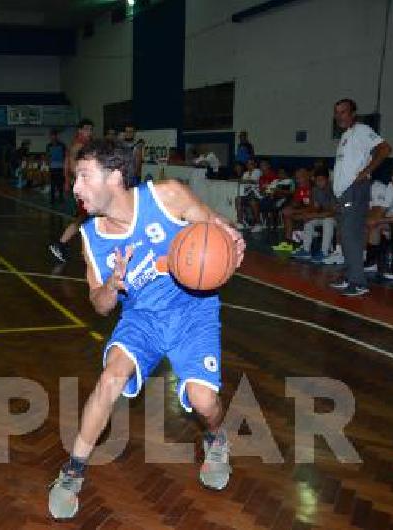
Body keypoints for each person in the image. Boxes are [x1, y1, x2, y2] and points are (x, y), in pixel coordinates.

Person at [47, 139, 245, 519]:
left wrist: (232, 240)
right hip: (142, 319)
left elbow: (217, 229)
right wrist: (111, 286)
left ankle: (217, 437)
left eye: (84, 177)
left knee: (205, 402)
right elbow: (100, 305)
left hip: (193, 312)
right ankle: (73, 470)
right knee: (109, 380)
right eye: (74, 179)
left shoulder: (168, 196)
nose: (74, 188)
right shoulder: (92, 239)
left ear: (116, 177)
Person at [330, 98, 392, 296]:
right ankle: (350, 275)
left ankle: (359, 282)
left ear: (353, 113)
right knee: (345, 236)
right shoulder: (346, 136)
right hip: (343, 193)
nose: (339, 116)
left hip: (355, 190)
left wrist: (366, 172)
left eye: (344, 112)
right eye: (337, 112)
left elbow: (385, 149)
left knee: (351, 235)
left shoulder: (362, 130)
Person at [48, 118, 94, 263]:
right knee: (87, 217)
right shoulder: (78, 146)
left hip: (83, 186)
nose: (89, 132)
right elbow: (72, 167)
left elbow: (66, 164)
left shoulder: (80, 145)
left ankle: (61, 244)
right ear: (80, 130)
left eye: (91, 129)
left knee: (84, 218)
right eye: (86, 129)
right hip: (83, 187)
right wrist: (74, 182)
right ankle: (61, 244)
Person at [290, 168, 337, 262]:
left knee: (328, 221)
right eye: (317, 181)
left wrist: (313, 215)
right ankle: (306, 250)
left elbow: (332, 212)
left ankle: (324, 252)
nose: (319, 183)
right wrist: (305, 215)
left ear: (327, 180)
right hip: (324, 216)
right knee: (309, 221)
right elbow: (316, 207)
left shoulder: (334, 189)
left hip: (338, 218)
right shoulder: (315, 190)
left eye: (321, 180)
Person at [365, 167, 393, 279]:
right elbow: (383, 209)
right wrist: (375, 220)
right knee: (375, 225)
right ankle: (371, 262)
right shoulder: (391, 187)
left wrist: (380, 220)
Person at [46, 130, 67, 204]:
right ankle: (52, 199)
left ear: (56, 136)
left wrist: (65, 166)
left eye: (54, 135)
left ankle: (61, 197)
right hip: (52, 167)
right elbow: (48, 156)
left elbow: (65, 156)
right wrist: (48, 165)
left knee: (60, 183)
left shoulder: (62, 145)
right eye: (51, 136)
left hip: (60, 167)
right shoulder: (48, 146)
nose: (53, 137)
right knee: (52, 184)